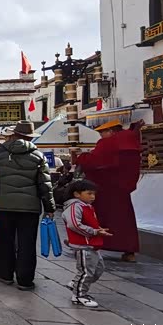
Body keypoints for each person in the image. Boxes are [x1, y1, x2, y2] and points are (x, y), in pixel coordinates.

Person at [0, 121, 55, 291]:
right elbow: (45, 185)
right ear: (29, 137)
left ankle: (5, 275)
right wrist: (49, 208)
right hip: (30, 208)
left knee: (5, 241)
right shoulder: (38, 156)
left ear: (13, 135)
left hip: (4, 205)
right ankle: (25, 280)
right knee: (27, 244)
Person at [74, 119, 142, 263]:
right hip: (122, 190)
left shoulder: (109, 143)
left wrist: (81, 157)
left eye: (102, 133)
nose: (101, 136)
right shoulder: (130, 143)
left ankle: (91, 245)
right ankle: (129, 251)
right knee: (124, 220)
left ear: (111, 131)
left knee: (97, 218)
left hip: (105, 190)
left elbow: (93, 161)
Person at [61, 180, 112, 308]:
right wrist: (94, 232)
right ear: (77, 194)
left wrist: (98, 230)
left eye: (94, 194)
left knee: (97, 269)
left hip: (92, 244)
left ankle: (76, 284)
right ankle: (79, 295)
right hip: (83, 245)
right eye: (89, 193)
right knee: (86, 272)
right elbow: (74, 224)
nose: (92, 197)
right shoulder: (74, 206)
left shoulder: (86, 206)